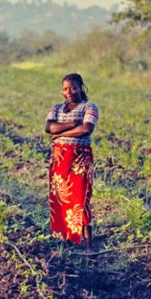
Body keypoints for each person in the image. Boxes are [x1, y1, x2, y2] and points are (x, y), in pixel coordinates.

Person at [45, 73, 99, 253]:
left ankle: (89, 244)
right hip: (59, 159)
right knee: (61, 199)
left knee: (81, 199)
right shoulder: (57, 108)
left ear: (81, 87)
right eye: (65, 89)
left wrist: (59, 134)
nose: (69, 92)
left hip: (79, 159)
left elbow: (86, 129)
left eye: (73, 88)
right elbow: (48, 128)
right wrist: (73, 123)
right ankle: (67, 239)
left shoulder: (89, 107)